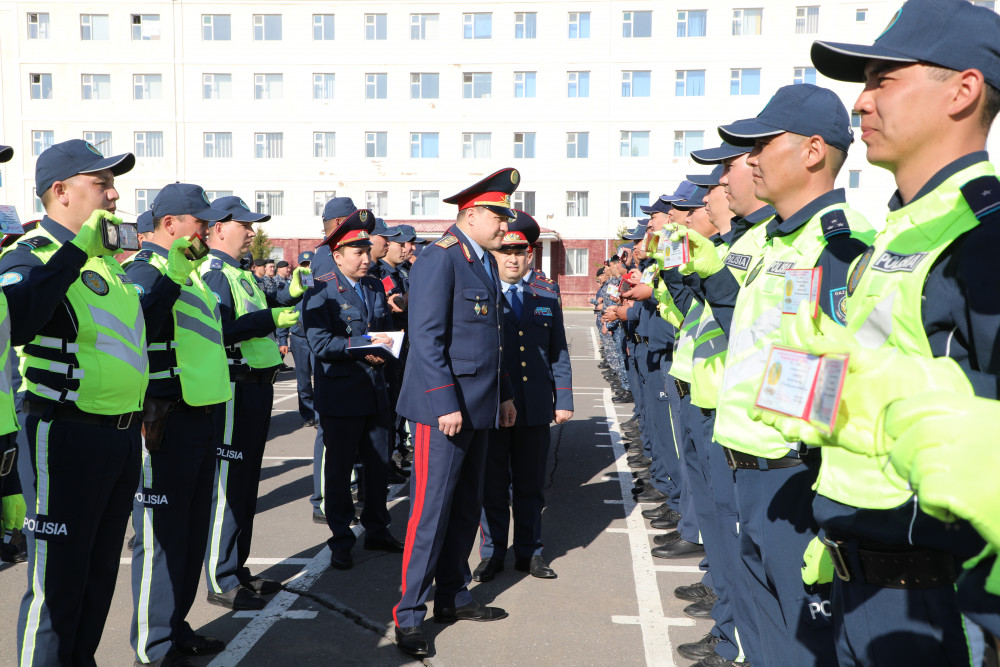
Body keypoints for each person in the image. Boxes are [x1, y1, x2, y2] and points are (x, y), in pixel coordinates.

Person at [766, 2, 1000, 664]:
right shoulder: (896, 236)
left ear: (963, 90)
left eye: (882, 80)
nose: (861, 103)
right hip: (856, 573)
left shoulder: (984, 243)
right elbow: (863, 378)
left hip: (934, 604)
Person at [675, 84, 876, 667]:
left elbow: (843, 370)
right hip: (750, 467)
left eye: (765, 144)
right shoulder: (772, 242)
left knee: (804, 644)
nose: (752, 159)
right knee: (764, 637)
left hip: (796, 476)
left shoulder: (838, 241)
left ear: (814, 151)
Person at [2, 139, 150, 666]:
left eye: (113, 185)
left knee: (97, 577)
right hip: (63, 434)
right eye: (101, 184)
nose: (113, 196)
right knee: (56, 588)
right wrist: (75, 253)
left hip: (119, 436)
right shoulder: (30, 255)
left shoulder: (108, 263)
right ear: (60, 192)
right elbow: (18, 318)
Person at [392, 168, 519, 657]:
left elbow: (493, 340)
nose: (505, 227)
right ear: (472, 214)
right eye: (498, 216)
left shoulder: (481, 260)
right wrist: (445, 401)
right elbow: (426, 338)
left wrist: (504, 394)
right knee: (429, 513)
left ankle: (453, 595)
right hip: (442, 411)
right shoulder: (439, 259)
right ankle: (408, 614)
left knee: (466, 506)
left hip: (481, 407)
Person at [122, 183, 234, 666]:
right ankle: (154, 646)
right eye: (199, 221)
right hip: (163, 422)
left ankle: (176, 625)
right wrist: (173, 277)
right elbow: (138, 321)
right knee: (163, 539)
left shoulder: (190, 273)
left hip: (199, 414)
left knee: (189, 534)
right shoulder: (145, 271)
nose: (206, 229)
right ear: (171, 225)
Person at [201, 196, 305, 611]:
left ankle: (237, 568)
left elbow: (255, 315)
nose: (251, 232)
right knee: (228, 487)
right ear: (219, 227)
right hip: (234, 387)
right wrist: (271, 319)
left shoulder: (237, 272)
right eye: (244, 224)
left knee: (244, 487)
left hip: (257, 386)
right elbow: (220, 330)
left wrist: (284, 300)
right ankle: (220, 576)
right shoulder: (214, 274)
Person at [302, 209, 405, 570]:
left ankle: (377, 528)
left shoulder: (376, 285)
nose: (365, 258)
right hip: (342, 394)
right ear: (337, 255)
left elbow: (385, 330)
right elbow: (320, 343)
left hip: (376, 391)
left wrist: (385, 347)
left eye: (367, 250)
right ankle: (341, 538)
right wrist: (365, 346)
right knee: (340, 469)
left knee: (378, 466)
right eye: (357, 252)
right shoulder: (321, 289)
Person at [473, 211, 572, 582]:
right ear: (494, 254)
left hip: (533, 407)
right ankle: (493, 553)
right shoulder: (480, 295)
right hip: (493, 406)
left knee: (531, 486)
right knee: (493, 485)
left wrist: (563, 399)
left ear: (530, 255)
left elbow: (558, 350)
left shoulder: (545, 294)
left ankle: (530, 551)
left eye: (521, 252)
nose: (513, 258)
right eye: (505, 251)